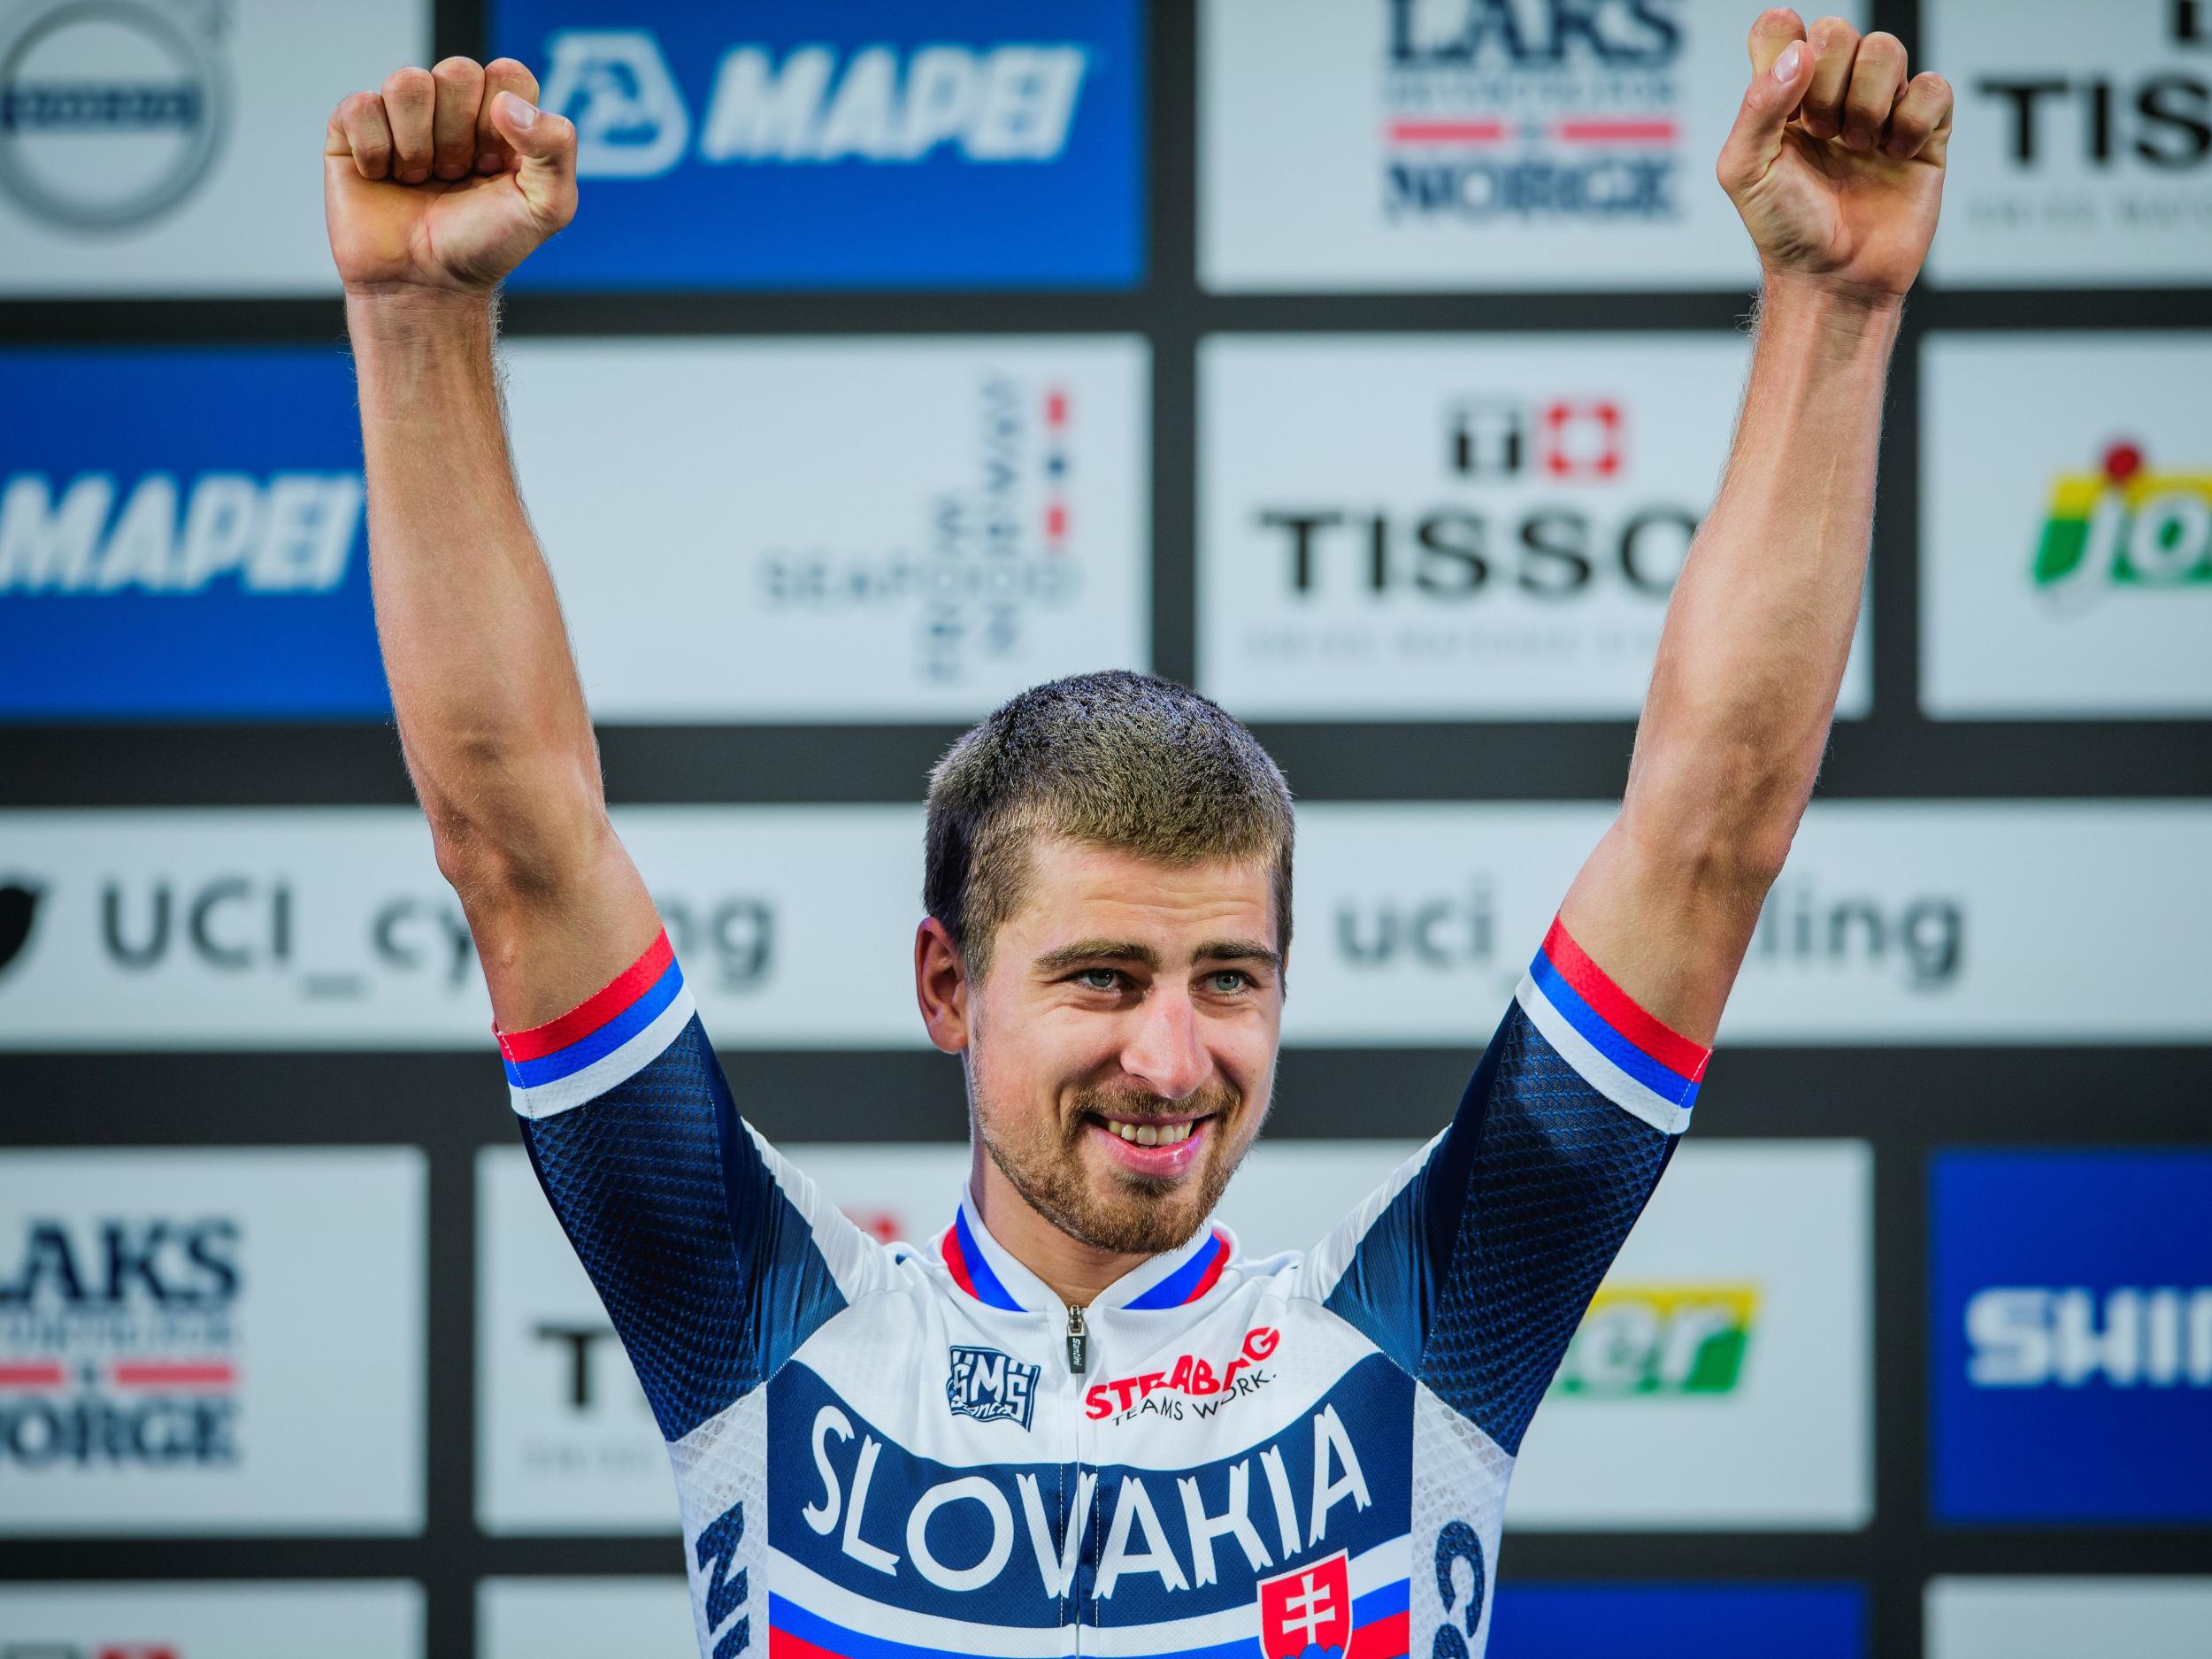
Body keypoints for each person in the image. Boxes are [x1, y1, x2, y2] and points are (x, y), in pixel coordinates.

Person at [323, 11, 1950, 1655]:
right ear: (949, 987)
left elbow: (1710, 829)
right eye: (1103, 977)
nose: (1173, 1062)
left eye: (1229, 979)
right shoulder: (764, 1332)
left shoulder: (1424, 1337)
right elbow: (515, 841)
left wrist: (1837, 303)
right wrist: (414, 316)